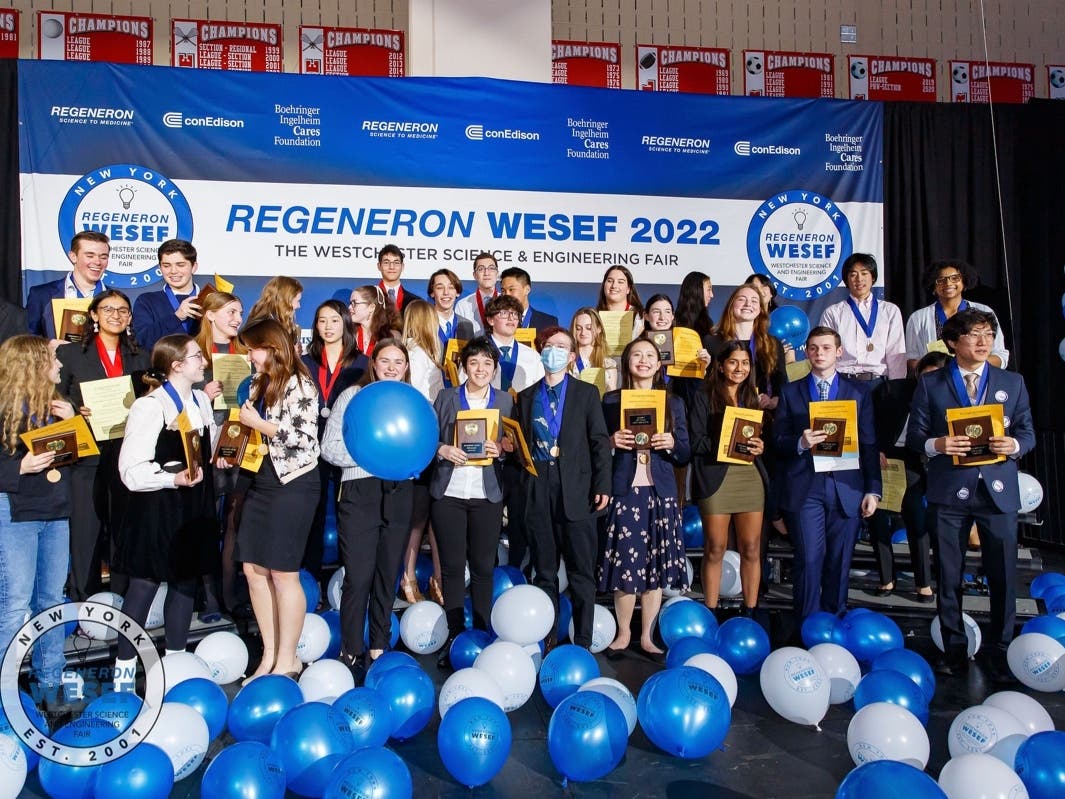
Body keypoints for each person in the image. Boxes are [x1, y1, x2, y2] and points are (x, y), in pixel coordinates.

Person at [907, 309, 1034, 681]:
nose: (983, 342)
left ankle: (1002, 648)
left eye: (988, 335)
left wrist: (1014, 445)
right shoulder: (932, 384)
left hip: (997, 493)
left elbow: (1028, 432)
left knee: (1004, 576)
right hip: (949, 493)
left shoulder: (1013, 382)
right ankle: (955, 650)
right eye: (974, 335)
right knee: (949, 575)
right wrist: (938, 443)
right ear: (952, 343)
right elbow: (916, 436)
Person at [114, 334, 219, 684]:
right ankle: (124, 670)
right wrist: (169, 480)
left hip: (195, 504)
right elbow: (130, 470)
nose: (202, 361)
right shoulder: (150, 406)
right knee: (144, 584)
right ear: (176, 365)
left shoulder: (202, 402)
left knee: (186, 581)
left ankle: (175, 664)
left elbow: (208, 447)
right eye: (195, 357)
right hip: (159, 506)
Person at [321, 339, 414, 683]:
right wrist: (370, 457)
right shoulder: (352, 397)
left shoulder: (412, 402)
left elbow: (420, 445)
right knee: (358, 577)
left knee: (387, 574)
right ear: (373, 363)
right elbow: (329, 447)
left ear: (406, 368)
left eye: (398, 362)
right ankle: (351, 649)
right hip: (359, 490)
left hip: (399, 491)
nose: (392, 367)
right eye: (385, 360)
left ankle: (378, 645)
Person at [773, 326, 881, 621]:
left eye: (826, 348)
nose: (819, 353)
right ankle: (808, 625)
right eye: (813, 348)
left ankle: (835, 622)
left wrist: (873, 489)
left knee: (839, 561)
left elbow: (869, 443)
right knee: (809, 559)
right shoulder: (790, 391)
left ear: (839, 351)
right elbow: (777, 441)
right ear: (806, 352)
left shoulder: (858, 392)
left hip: (847, 487)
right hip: (806, 488)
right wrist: (799, 442)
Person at [236, 318, 321, 682]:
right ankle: (269, 654)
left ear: (270, 347)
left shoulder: (300, 382)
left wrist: (259, 425)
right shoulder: (258, 382)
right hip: (261, 479)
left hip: (294, 482)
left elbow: (305, 439)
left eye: (253, 348)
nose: (249, 356)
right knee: (252, 569)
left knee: (283, 573)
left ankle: (288, 659)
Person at [516, 326, 611, 651]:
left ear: (571, 356)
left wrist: (603, 485)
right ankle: (547, 639)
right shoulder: (527, 397)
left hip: (579, 492)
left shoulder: (586, 394)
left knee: (582, 572)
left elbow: (599, 442)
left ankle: (582, 642)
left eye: (561, 347)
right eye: (548, 345)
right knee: (544, 573)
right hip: (540, 491)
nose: (552, 350)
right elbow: (522, 448)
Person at [57, 290, 150, 600]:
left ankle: (122, 600)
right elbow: (53, 396)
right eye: (108, 309)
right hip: (87, 456)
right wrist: (74, 407)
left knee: (123, 531)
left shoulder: (141, 357)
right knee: (86, 532)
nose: (116, 315)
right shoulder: (70, 354)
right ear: (93, 315)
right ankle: (84, 598)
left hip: (127, 455)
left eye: (123, 310)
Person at [599, 338, 689, 659]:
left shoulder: (673, 402)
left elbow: (685, 452)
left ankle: (647, 636)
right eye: (636, 354)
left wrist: (671, 443)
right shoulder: (610, 400)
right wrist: (611, 441)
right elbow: (596, 447)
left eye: (650, 355)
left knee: (654, 565)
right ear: (627, 363)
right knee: (626, 562)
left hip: (660, 491)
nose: (643, 360)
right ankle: (623, 634)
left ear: (659, 364)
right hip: (625, 488)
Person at [0, 336, 76, 710]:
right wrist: (20, 467)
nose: (59, 367)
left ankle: (50, 684)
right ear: (31, 366)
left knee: (52, 600)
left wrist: (74, 424)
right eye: (52, 361)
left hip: (55, 512)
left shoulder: (57, 405)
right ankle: (5, 692)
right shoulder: (4, 409)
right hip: (15, 513)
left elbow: (76, 459)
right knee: (14, 605)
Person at [430, 337, 514, 668]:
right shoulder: (446, 397)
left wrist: (502, 450)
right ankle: (453, 635)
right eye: (474, 363)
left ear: (495, 369)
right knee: (451, 568)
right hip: (449, 493)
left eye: (487, 364)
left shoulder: (506, 401)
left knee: (482, 568)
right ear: (464, 366)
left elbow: (514, 445)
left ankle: (481, 634)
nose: (480, 369)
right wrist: (443, 449)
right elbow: (430, 437)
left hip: (487, 494)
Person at [689, 341, 768, 616]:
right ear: (720, 365)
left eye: (745, 363)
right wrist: (725, 441)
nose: (740, 368)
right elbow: (694, 442)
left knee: (751, 547)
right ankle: (711, 611)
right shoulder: (703, 395)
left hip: (749, 476)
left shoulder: (752, 397)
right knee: (715, 548)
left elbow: (758, 438)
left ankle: (750, 611)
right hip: (716, 479)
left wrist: (759, 446)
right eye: (733, 362)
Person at [868, 351, 952, 601]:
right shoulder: (891, 390)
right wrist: (874, 450)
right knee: (879, 520)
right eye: (927, 375)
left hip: (916, 461)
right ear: (917, 373)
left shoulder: (950, 399)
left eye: (938, 376)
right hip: (884, 458)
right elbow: (867, 421)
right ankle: (886, 579)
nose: (931, 381)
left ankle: (923, 583)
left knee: (917, 520)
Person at [301, 299, 367, 600]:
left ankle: (347, 583)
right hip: (310, 449)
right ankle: (310, 581)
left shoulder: (362, 363)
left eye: (334, 320)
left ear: (346, 324)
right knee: (311, 517)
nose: (327, 327)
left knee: (348, 516)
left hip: (346, 448)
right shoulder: (305, 362)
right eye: (322, 320)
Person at [194, 290, 251, 619]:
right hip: (204, 453)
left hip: (238, 448)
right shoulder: (193, 353)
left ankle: (228, 595)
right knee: (204, 524)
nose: (236, 319)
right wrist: (202, 395)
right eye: (230, 312)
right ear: (210, 315)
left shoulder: (245, 353)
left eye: (239, 312)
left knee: (233, 523)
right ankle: (207, 596)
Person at [399, 300, 445, 605]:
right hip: (423, 447)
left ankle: (422, 578)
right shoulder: (420, 359)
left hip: (418, 447)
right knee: (421, 518)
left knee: (425, 518)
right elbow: (429, 406)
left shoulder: (423, 356)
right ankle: (411, 578)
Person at [904, 260, 1009, 375]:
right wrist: (937, 372)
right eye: (941, 280)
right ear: (933, 286)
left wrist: (969, 368)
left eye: (955, 278)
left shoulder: (984, 312)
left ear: (964, 281)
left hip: (977, 379)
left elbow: (1000, 356)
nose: (948, 283)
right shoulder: (918, 318)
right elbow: (911, 359)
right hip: (938, 382)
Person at [819, 253, 906, 382]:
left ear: (873, 277)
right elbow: (825, 351)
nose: (859, 279)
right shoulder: (833, 312)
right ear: (846, 280)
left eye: (864, 273)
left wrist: (897, 385)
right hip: (843, 381)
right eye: (853, 274)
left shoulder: (890, 311)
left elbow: (896, 352)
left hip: (878, 382)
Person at [704, 285, 788, 413]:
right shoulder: (712, 342)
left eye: (754, 301)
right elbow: (706, 385)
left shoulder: (773, 344)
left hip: (762, 415)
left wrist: (772, 402)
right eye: (742, 299)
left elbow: (780, 385)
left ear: (760, 309)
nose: (748, 304)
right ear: (731, 305)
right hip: (721, 413)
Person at [27, 231, 109, 340]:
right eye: (90, 256)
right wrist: (48, 346)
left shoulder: (116, 299)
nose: (98, 262)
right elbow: (27, 340)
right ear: (73, 256)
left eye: (103, 257)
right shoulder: (41, 295)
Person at [132, 239, 203, 350]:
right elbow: (141, 341)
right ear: (160, 268)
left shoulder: (210, 299)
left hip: (203, 366)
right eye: (166, 265)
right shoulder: (147, 301)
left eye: (180, 265)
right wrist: (176, 317)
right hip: (159, 367)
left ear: (194, 267)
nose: (173, 271)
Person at [482, 294, 544, 394]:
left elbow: (541, 391)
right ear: (490, 320)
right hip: (486, 409)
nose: (511, 318)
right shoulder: (477, 352)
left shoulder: (532, 356)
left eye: (515, 314)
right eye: (504, 313)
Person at [247, 276, 303, 351]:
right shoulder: (261, 326)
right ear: (284, 301)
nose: (298, 306)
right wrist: (291, 353)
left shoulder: (284, 324)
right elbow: (265, 357)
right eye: (297, 301)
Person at [569, 307, 618, 393]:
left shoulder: (608, 364)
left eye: (588, 328)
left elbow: (611, 396)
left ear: (599, 329)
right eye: (578, 328)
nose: (583, 333)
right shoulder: (568, 362)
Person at [427, 269, 475, 352]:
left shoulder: (466, 325)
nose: (446, 292)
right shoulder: (422, 323)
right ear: (432, 293)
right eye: (440, 288)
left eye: (451, 287)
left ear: (457, 292)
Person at [454, 252, 500, 334]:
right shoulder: (463, 305)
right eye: (481, 269)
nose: (486, 273)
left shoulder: (507, 303)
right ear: (475, 275)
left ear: (497, 273)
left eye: (491, 268)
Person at [349, 284, 400, 357]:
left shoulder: (392, 336)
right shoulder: (348, 335)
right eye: (350, 303)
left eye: (354, 303)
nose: (349, 307)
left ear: (371, 307)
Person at [596, 265, 645, 340]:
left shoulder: (641, 317)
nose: (614, 285)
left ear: (628, 289)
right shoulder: (594, 317)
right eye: (610, 281)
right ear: (603, 286)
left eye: (620, 282)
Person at [376, 244, 421, 313]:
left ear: (402, 266)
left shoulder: (415, 302)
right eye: (386, 262)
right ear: (379, 266)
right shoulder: (370, 298)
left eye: (396, 263)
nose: (391, 267)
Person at [675, 271, 715, 337]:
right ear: (696, 290)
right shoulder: (673, 322)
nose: (712, 295)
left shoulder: (707, 323)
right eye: (708, 290)